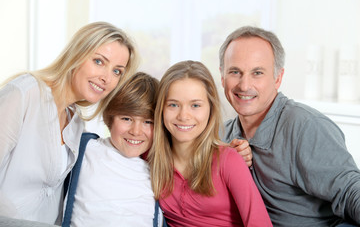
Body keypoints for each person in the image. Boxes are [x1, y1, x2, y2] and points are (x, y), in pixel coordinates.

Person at [219, 26, 360, 226]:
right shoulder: (220, 136)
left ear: (278, 78)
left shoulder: (305, 127)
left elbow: (350, 191)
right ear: (222, 76)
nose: (244, 85)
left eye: (257, 72)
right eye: (235, 72)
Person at [0, 21, 138, 225]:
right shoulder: (23, 95)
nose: (106, 78)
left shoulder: (76, 122)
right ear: (77, 55)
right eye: (99, 62)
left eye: (117, 71)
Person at [148, 60, 272, 227]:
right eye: (173, 105)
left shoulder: (229, 161)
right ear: (161, 109)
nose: (184, 116)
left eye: (195, 105)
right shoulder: (150, 159)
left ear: (210, 109)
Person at [61, 72, 165, 227]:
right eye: (126, 119)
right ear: (110, 118)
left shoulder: (157, 170)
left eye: (148, 122)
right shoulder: (85, 148)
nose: (136, 131)